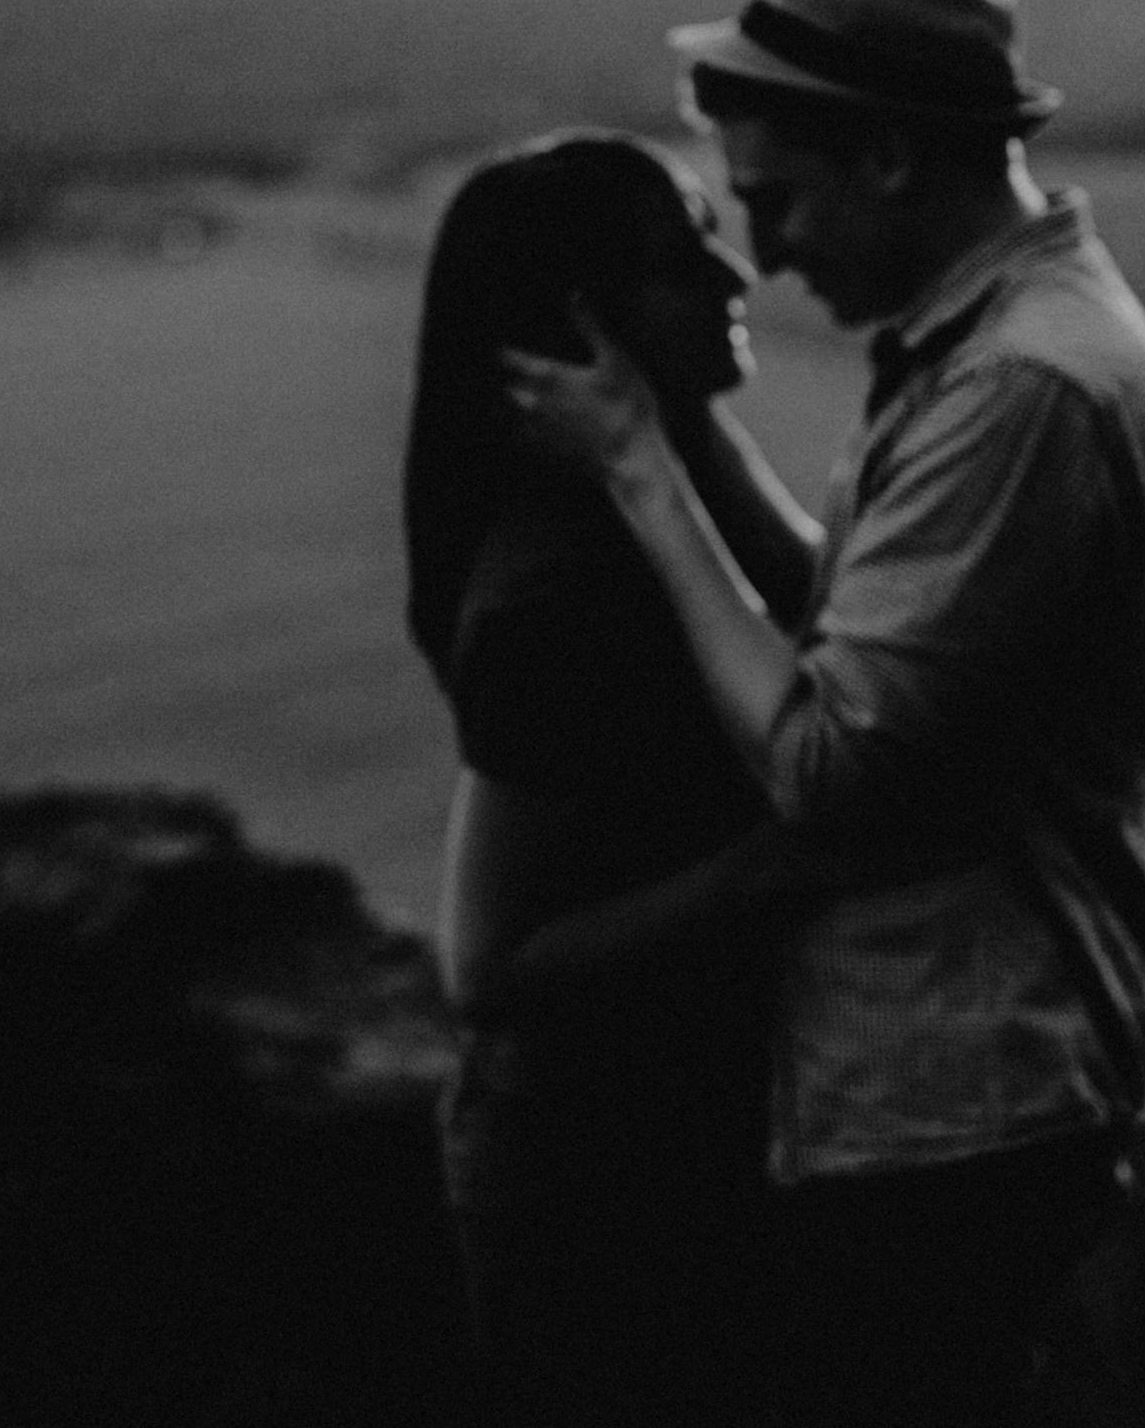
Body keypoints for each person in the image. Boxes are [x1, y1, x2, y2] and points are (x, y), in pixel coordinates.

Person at [503, 0, 1145, 1428]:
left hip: (954, 1099)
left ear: (890, 158)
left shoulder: (1017, 385)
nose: (765, 251)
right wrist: (692, 434)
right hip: (963, 1086)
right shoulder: (1011, 332)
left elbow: (831, 762)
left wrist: (638, 478)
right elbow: (879, 623)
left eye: (779, 197)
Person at [404, 130, 832, 1427]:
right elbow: (485, 969)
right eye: (682, 254)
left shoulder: (666, 508)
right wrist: (776, 874)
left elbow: (835, 626)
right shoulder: (559, 590)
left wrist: (665, 432)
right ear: (588, 322)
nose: (736, 273)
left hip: (691, 1128)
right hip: (592, 1179)